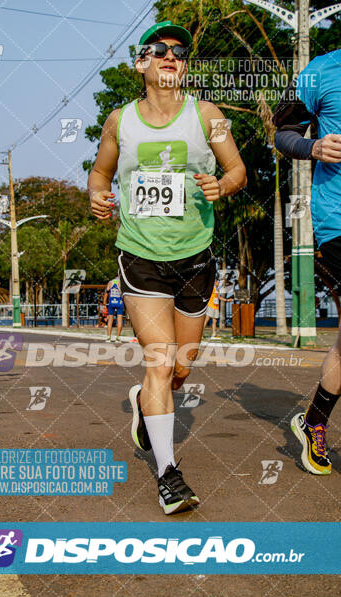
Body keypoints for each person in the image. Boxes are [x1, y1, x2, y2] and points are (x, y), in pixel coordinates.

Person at [89, 20, 246, 513]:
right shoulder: (120, 120)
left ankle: (144, 403)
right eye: (159, 50)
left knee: (181, 366)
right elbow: (100, 173)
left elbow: (238, 168)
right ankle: (168, 475)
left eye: (179, 51)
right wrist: (97, 197)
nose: (170, 56)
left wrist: (225, 185)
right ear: (143, 62)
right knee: (159, 360)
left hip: (195, 255)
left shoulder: (208, 115)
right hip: (139, 254)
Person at [273, 48, 341, 476]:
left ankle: (314, 420)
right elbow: (283, 131)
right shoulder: (320, 71)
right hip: (338, 220)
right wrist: (313, 145)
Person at [104, 275, 124, 342]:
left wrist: (104, 303)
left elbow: (106, 293)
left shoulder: (110, 282)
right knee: (119, 321)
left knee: (110, 320)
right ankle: (118, 338)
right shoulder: (121, 282)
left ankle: (108, 338)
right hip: (119, 302)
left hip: (112, 302)